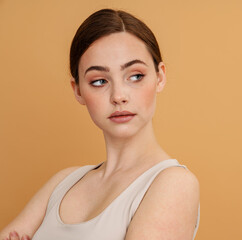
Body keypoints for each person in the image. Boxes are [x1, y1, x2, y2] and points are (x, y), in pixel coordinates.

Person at [0, 8, 200, 240]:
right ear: (78, 91)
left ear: (160, 77)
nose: (118, 96)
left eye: (135, 76)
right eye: (99, 81)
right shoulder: (63, 182)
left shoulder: (174, 184)